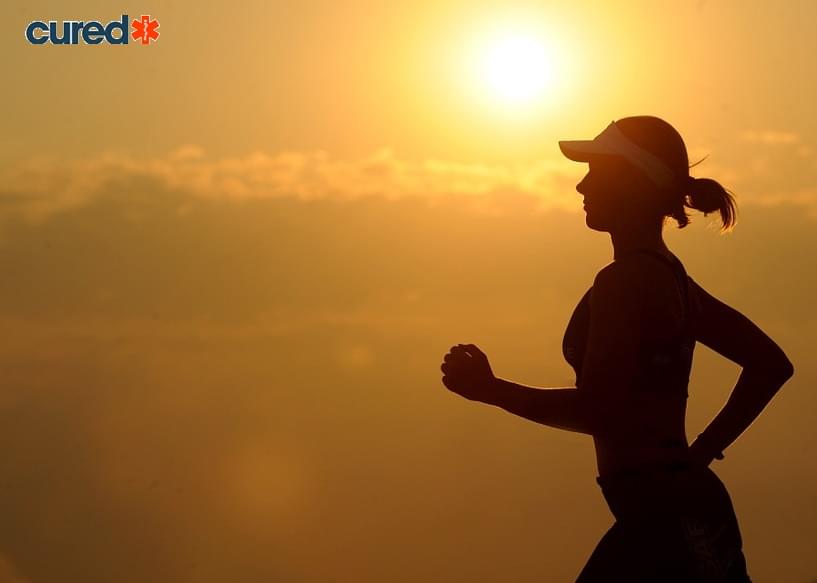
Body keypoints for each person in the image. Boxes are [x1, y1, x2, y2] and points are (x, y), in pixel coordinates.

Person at [439, 116, 795, 582]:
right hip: (685, 512)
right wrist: (700, 452)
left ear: (634, 182)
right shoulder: (671, 278)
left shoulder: (625, 282)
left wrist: (492, 390)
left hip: (662, 523)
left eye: (596, 171)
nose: (580, 185)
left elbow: (598, 411)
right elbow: (770, 365)